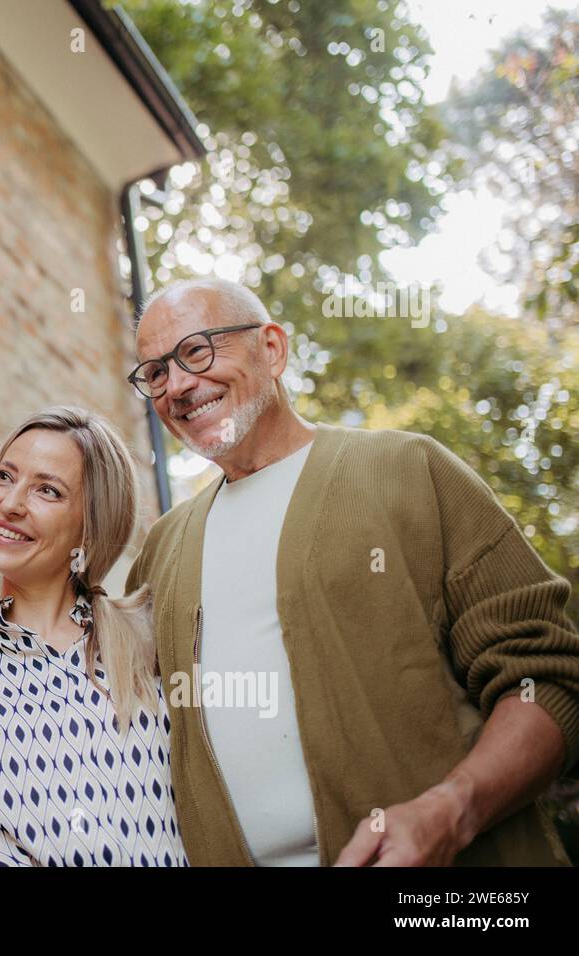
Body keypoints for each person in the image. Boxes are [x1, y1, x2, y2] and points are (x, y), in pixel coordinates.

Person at [125, 276, 579, 866]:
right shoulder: (162, 549)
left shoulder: (408, 469)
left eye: (196, 351)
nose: (178, 385)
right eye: (156, 373)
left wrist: (452, 810)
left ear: (271, 349)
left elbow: (547, 680)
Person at [0, 406, 186, 866]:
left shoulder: (152, 640)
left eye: (48, 490)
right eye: (4, 476)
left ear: (91, 525)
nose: (10, 503)